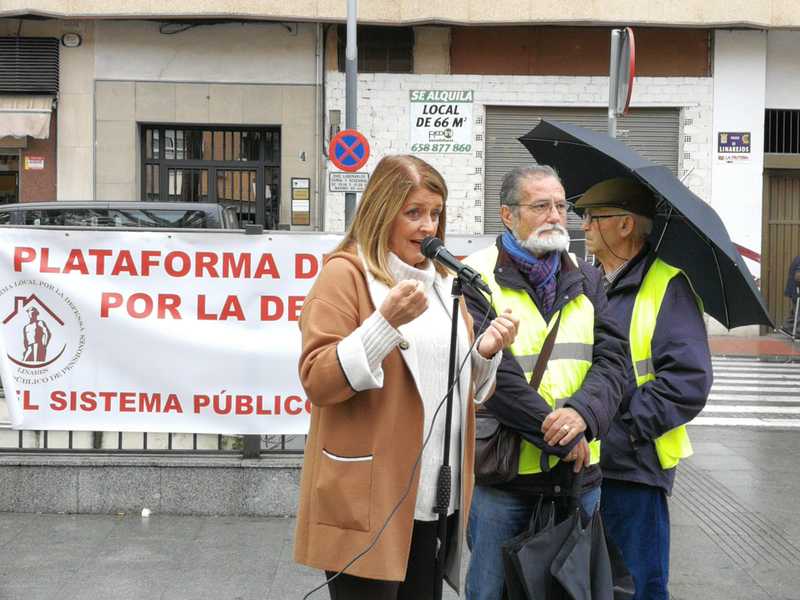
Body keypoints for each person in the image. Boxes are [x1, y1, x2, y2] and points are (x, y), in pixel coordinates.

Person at [293, 154, 519, 600]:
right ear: (381, 212)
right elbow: (318, 379)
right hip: (369, 496)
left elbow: (453, 387)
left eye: (435, 213)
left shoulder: (442, 283)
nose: (427, 226)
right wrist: (383, 323)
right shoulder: (345, 274)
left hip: (434, 494)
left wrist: (485, 353)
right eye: (413, 213)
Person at [462, 165, 629, 600]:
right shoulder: (474, 276)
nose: (555, 215)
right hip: (506, 476)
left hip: (578, 476)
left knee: (575, 591)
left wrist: (582, 415)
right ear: (507, 214)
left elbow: (614, 361)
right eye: (540, 206)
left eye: (560, 205)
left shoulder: (588, 277)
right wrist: (558, 434)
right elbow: (496, 376)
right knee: (489, 591)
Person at [576, 177, 713, 600]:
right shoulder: (592, 282)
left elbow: (688, 381)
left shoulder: (668, 286)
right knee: (591, 583)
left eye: (592, 218)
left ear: (625, 225)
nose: (583, 228)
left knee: (636, 585)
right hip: (589, 463)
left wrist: (626, 431)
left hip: (634, 467)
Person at [782, 254, 800, 335]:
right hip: (796, 290)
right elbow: (798, 276)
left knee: (796, 310)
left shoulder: (798, 258)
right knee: (797, 310)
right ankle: (798, 332)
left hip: (793, 290)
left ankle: (787, 327)